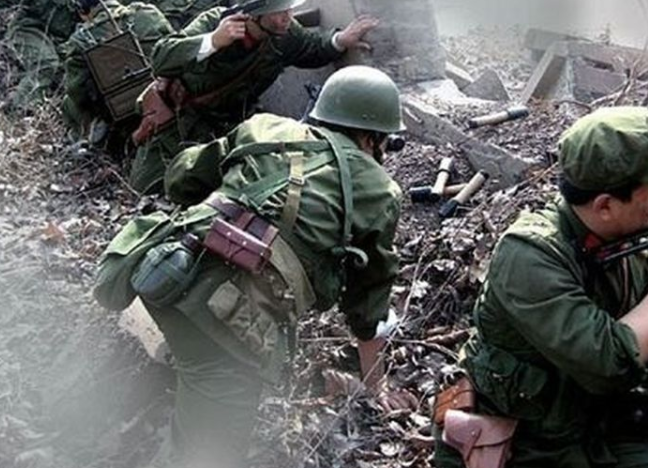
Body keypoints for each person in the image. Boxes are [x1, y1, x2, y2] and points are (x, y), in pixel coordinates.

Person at [95, 65, 414, 467]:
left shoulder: (266, 127)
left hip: (162, 267)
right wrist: (375, 383)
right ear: (373, 138)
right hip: (223, 324)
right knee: (210, 454)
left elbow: (182, 178)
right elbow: (369, 299)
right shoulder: (381, 191)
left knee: (193, 364)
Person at [433, 106, 648, 468]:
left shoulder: (624, 240)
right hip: (519, 446)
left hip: (592, 436)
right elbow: (611, 362)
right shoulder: (528, 256)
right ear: (605, 205)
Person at [129, 0, 378, 195]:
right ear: (253, 14)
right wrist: (213, 41)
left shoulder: (283, 33)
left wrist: (339, 41)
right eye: (279, 12)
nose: (287, 17)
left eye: (289, 10)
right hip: (180, 122)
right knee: (148, 189)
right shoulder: (216, 22)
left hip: (231, 127)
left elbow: (311, 48)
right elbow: (161, 58)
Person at [61, 0, 173, 144]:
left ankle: (94, 140)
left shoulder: (80, 40)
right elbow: (173, 49)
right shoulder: (148, 13)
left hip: (123, 119)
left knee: (68, 103)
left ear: (82, 9)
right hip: (166, 97)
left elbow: (77, 93)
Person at [0, 0, 100, 109]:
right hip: (30, 29)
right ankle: (16, 110)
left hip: (57, 38)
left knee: (73, 74)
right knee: (46, 64)